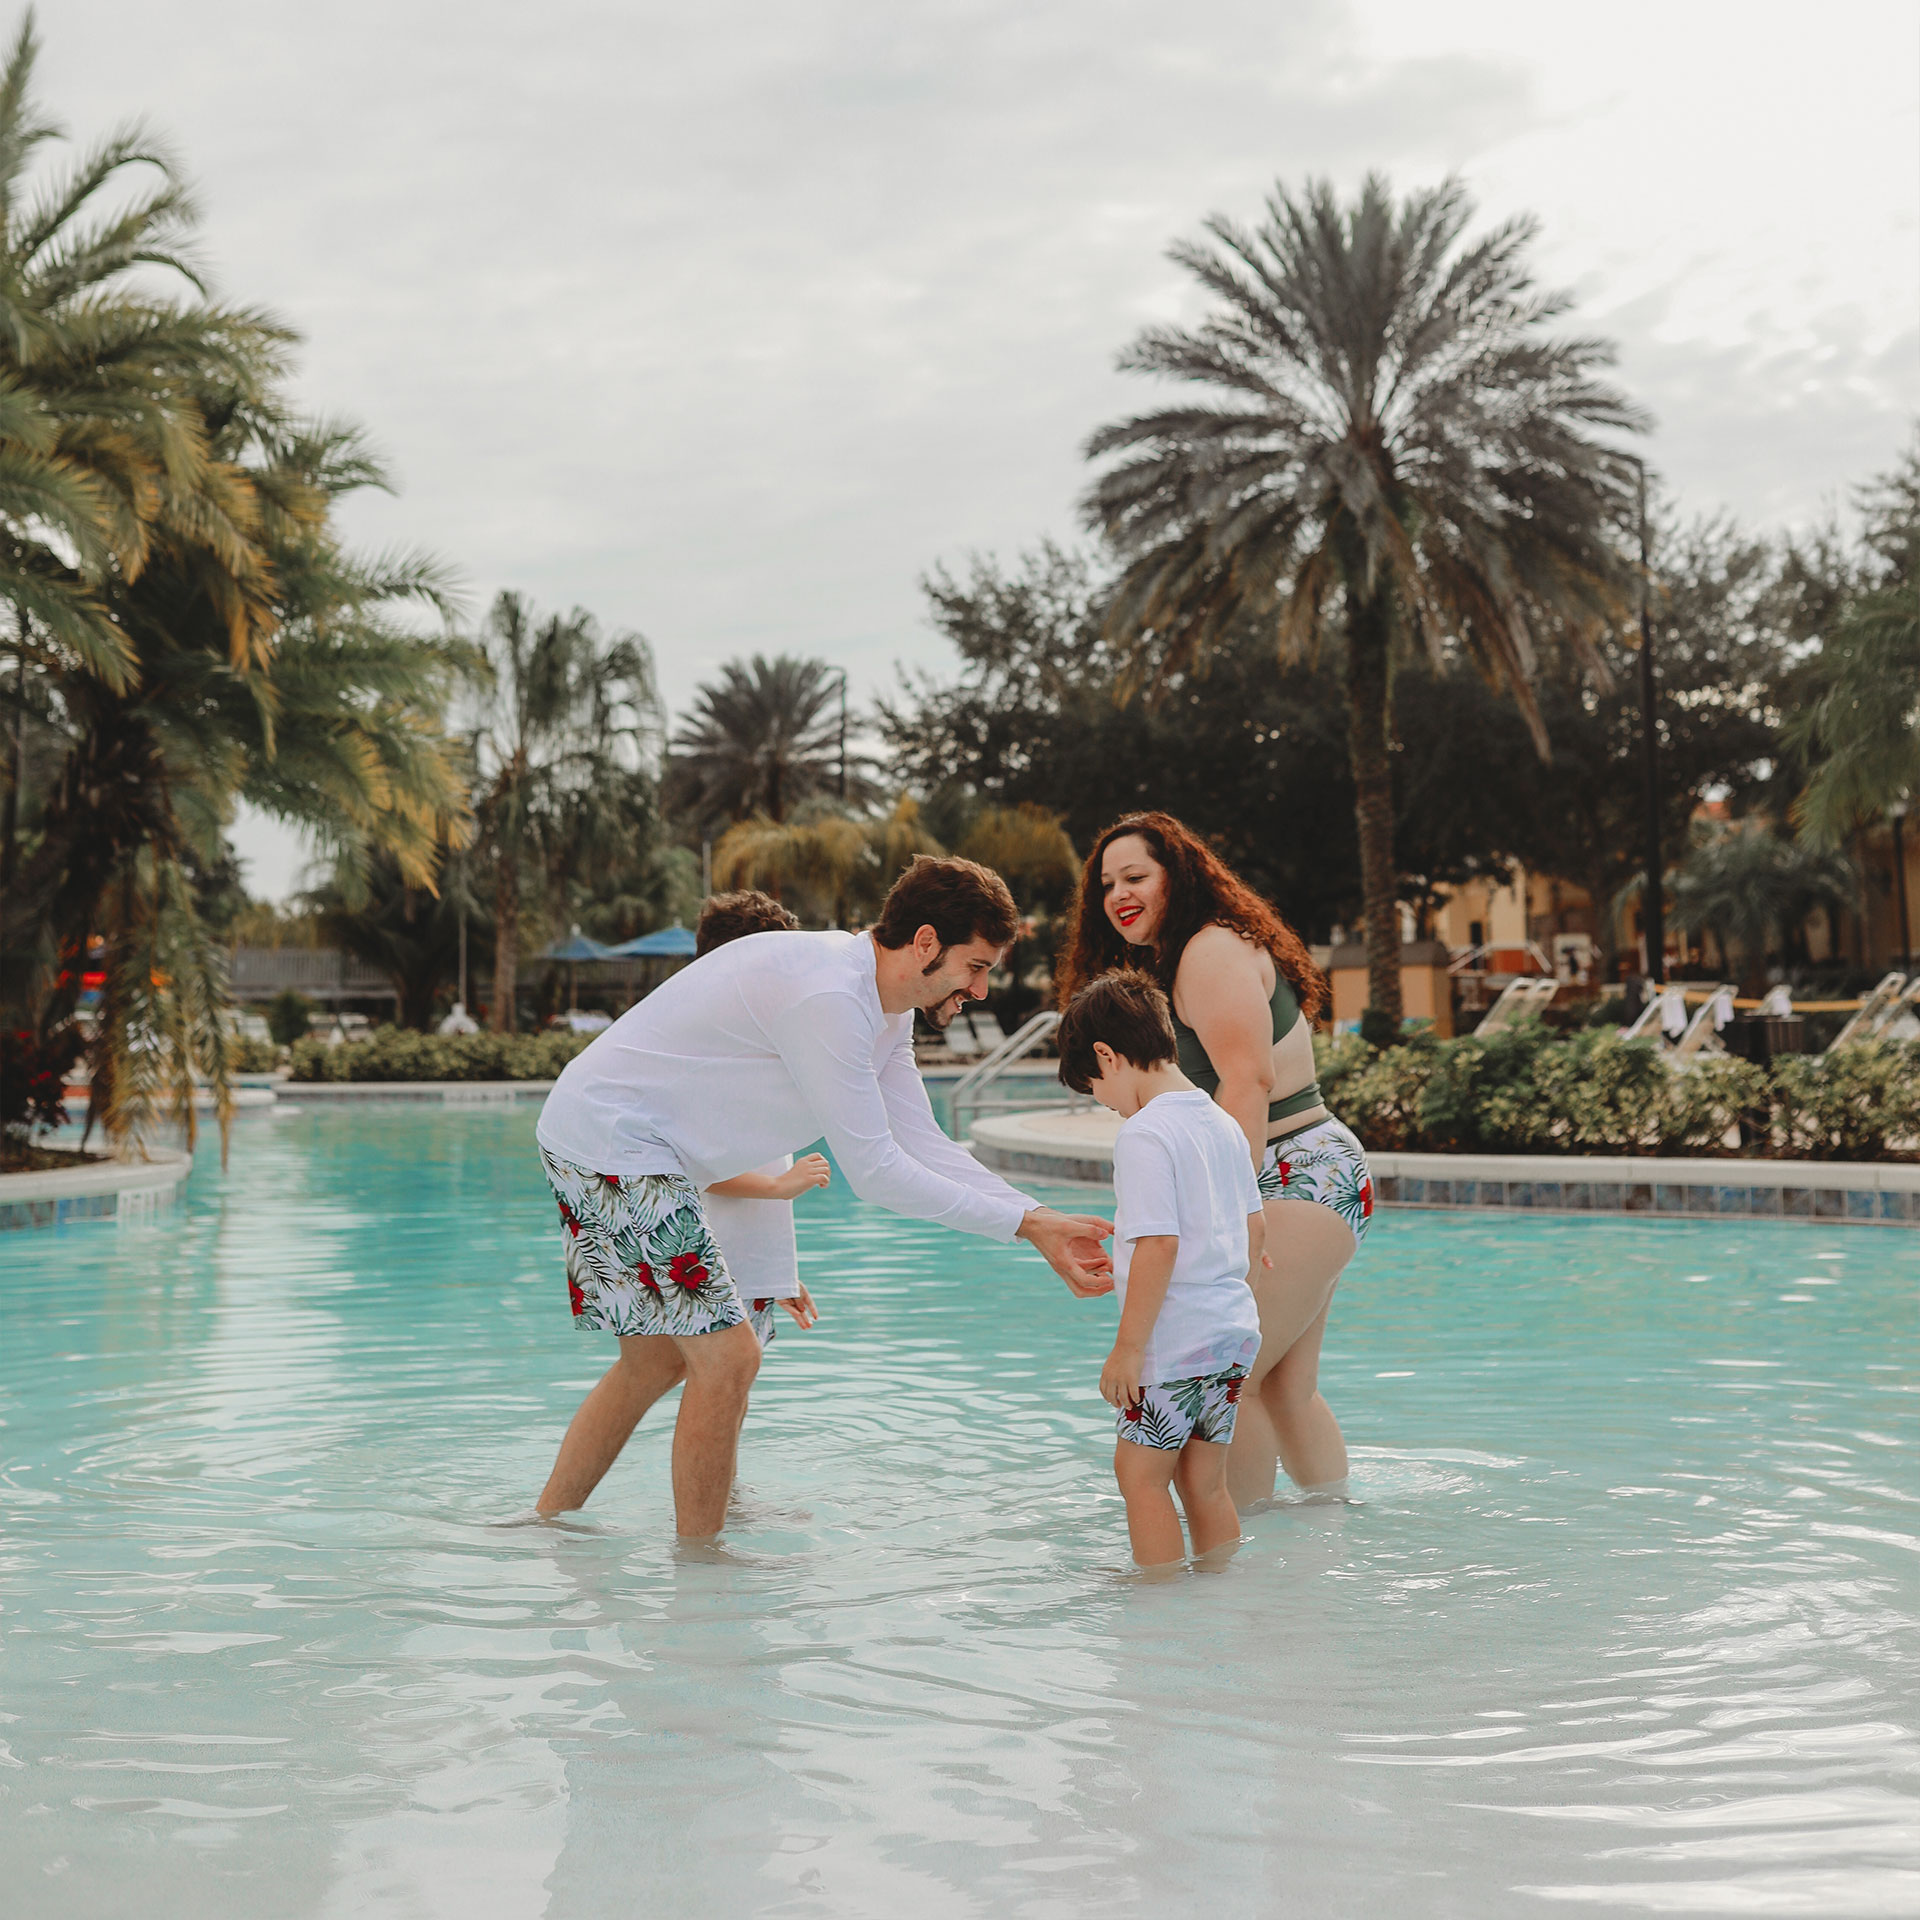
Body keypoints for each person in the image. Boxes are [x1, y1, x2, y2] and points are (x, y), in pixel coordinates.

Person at [532, 856, 1114, 1537]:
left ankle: (546, 1525)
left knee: (656, 1360)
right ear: (925, 943)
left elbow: (922, 1143)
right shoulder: (833, 998)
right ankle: (702, 1577)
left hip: (620, 1141)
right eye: (976, 966)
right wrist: (1024, 1226)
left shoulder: (881, 1010)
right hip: (612, 1140)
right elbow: (876, 1174)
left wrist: (1037, 1216)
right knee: (730, 1356)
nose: (981, 989)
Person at [1058, 812, 1371, 1509]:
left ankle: (1244, 1558)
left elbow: (1247, 1081)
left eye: (1136, 876)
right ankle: (1336, 1528)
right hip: (1307, 1171)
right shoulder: (1188, 953)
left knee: (1240, 1377)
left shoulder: (1207, 950)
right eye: (1107, 883)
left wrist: (1228, 1207)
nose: (1118, 894)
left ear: (1180, 876)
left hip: (1295, 1169)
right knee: (1288, 1387)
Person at [1057, 972, 1264, 1570]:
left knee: (1140, 1478)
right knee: (1204, 1483)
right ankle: (1222, 1596)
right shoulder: (1222, 1122)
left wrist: (1127, 1351)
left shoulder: (1145, 1132)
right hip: (1230, 1333)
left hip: (1174, 1341)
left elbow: (1160, 1244)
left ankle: (1161, 1616)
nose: (1104, 1102)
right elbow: (1252, 1229)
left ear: (1107, 1055)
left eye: (1095, 1087)